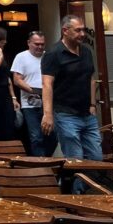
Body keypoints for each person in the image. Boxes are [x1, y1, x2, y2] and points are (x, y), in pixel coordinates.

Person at [41, 15, 101, 167]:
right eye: (78, 30)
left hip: (87, 114)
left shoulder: (86, 51)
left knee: (96, 157)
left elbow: (91, 78)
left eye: (83, 30)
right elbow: (47, 84)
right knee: (76, 159)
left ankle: (82, 187)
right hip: (65, 113)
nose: (82, 34)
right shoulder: (53, 54)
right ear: (65, 31)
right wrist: (47, 114)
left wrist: (93, 105)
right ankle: (76, 191)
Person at [11, 31, 57, 157]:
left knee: (53, 135)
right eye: (37, 44)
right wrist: (34, 91)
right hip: (30, 104)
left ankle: (46, 160)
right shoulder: (21, 57)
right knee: (36, 136)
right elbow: (17, 79)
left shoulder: (48, 57)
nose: (40, 47)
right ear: (29, 43)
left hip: (48, 103)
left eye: (42, 44)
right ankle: (40, 166)